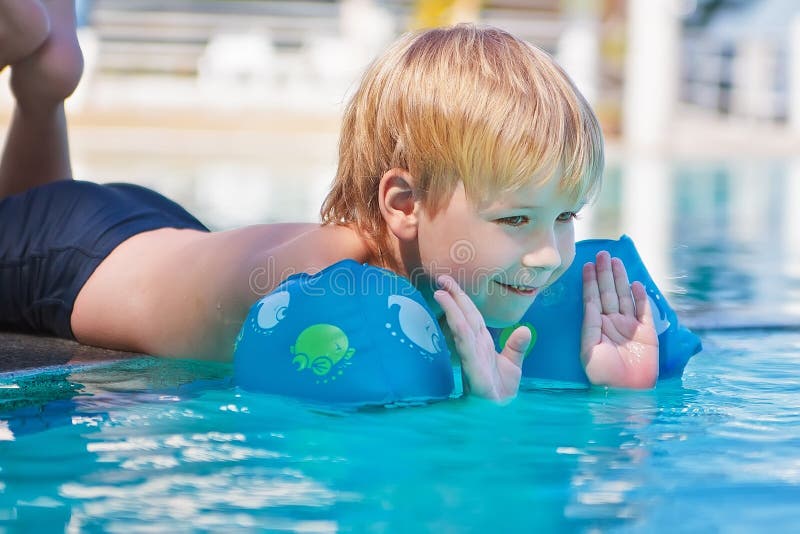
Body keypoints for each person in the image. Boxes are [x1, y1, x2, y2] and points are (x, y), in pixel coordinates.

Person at [0, 1, 659, 402]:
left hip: (142, 229)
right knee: (21, 225)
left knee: (35, 206)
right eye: (517, 219)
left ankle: (46, 86)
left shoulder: (428, 264)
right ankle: (31, 50)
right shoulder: (326, 275)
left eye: (565, 216)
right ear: (403, 203)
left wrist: (625, 404)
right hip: (78, 258)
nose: (550, 254)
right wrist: (471, 404)